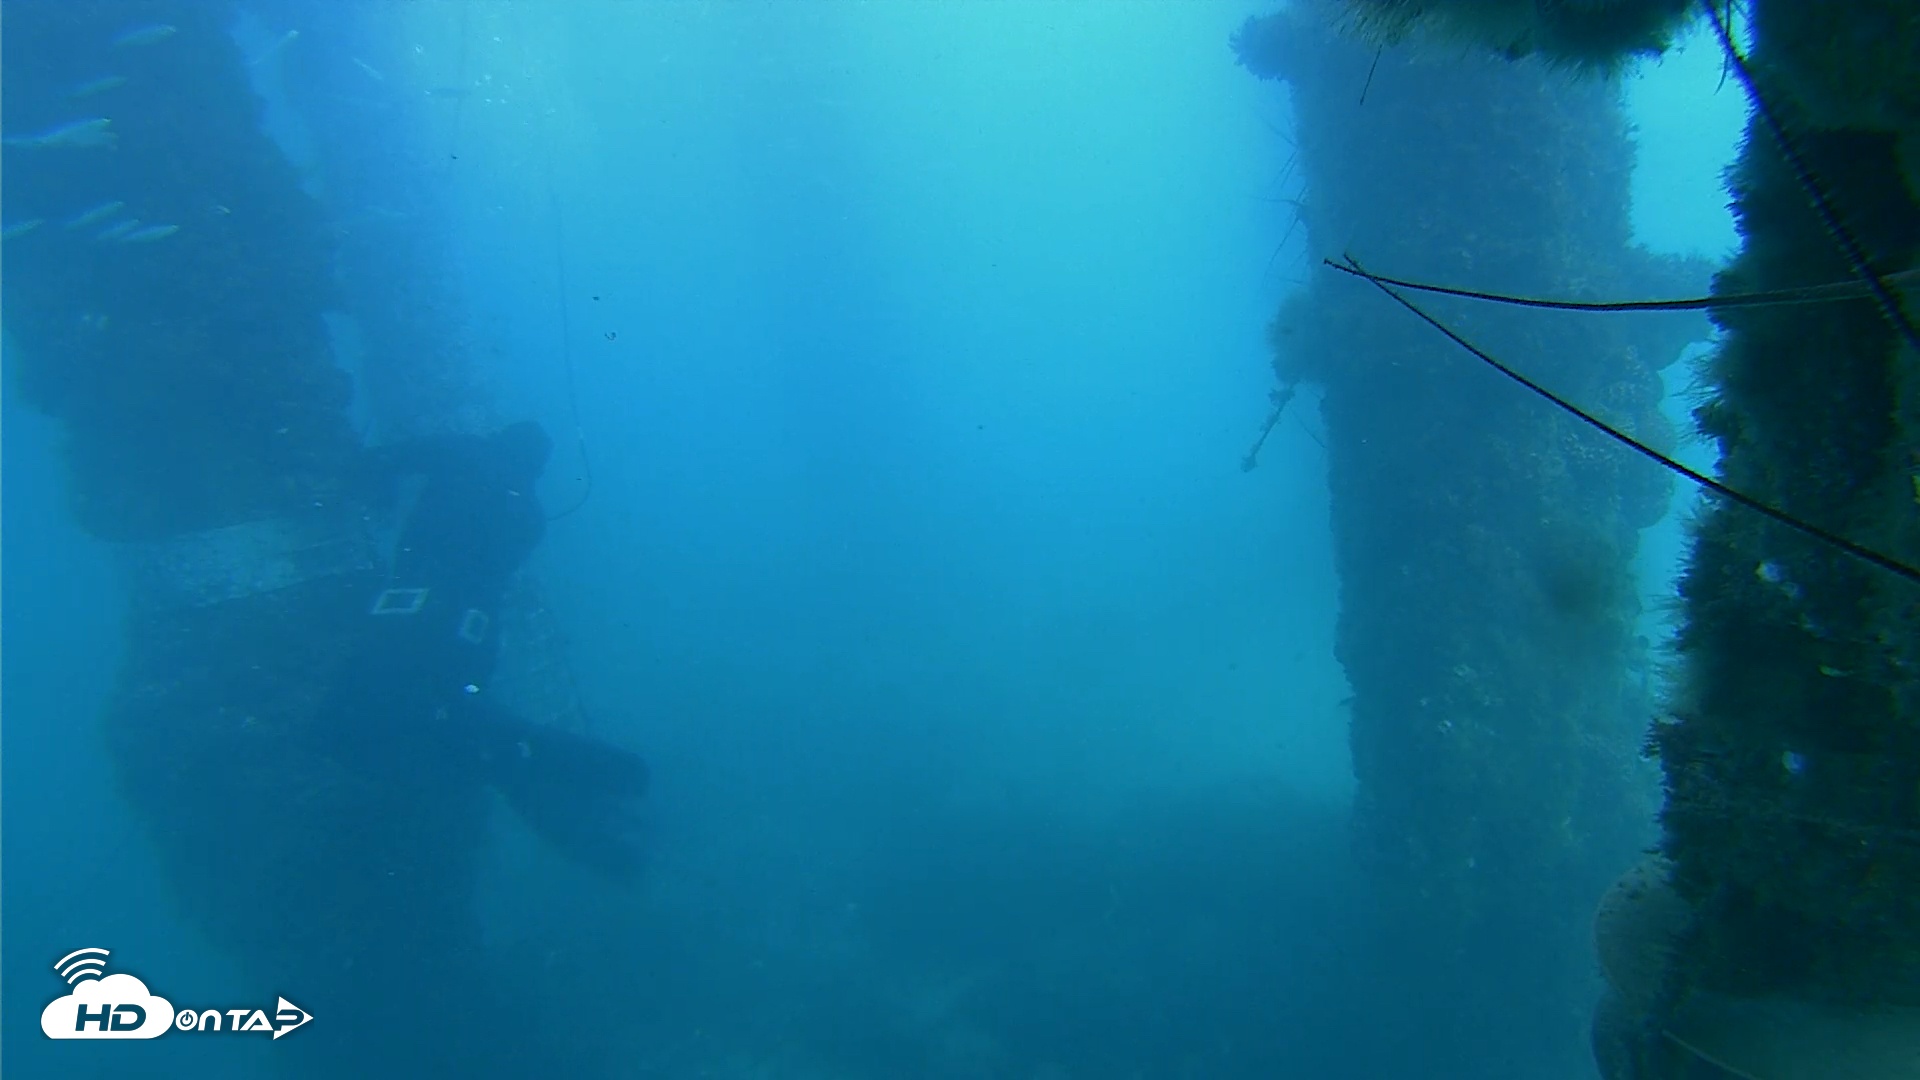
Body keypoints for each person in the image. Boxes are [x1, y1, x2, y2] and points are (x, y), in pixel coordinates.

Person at [321, 420, 649, 880]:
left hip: (412, 613)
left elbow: (384, 460)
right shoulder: (532, 515)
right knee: (454, 714)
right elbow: (492, 571)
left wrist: (381, 496)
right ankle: (536, 772)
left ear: (500, 438)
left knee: (352, 718)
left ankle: (515, 751)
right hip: (472, 637)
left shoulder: (462, 451)